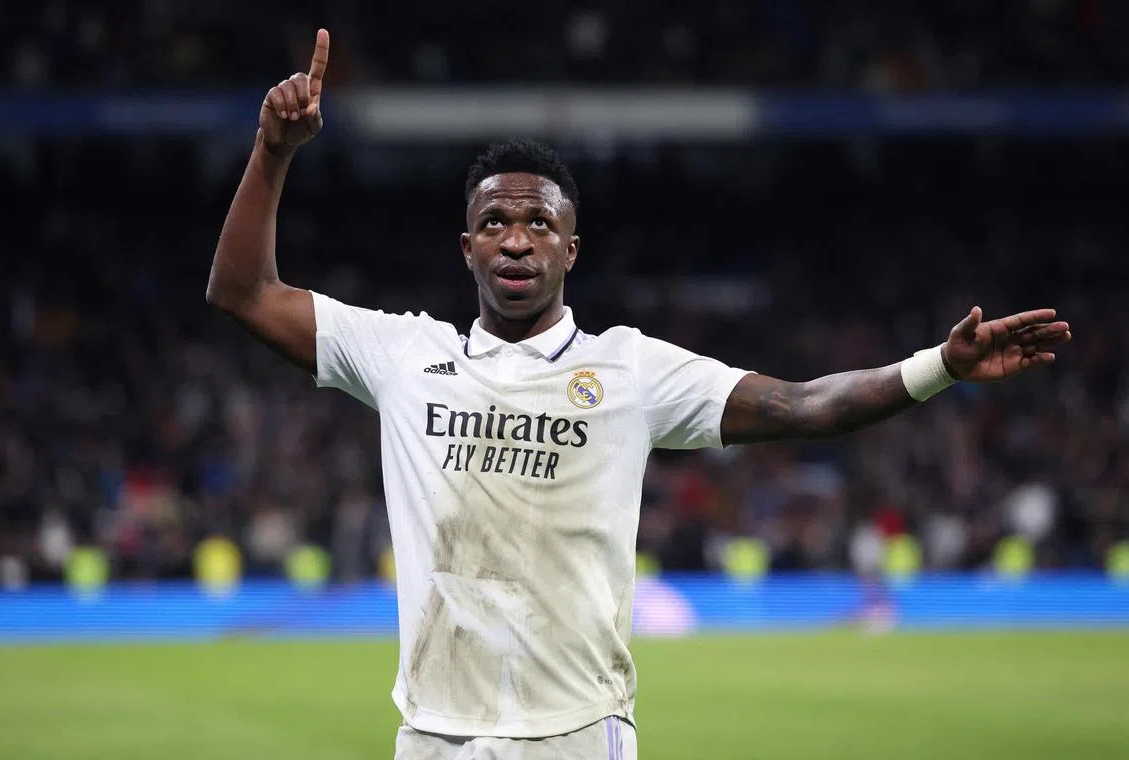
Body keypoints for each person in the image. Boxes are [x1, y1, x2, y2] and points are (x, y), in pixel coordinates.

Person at [206, 29, 1072, 760]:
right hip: (433, 736)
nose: (518, 240)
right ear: (465, 247)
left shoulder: (631, 370)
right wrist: (273, 151)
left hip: (581, 735)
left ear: (571, 250)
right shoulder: (401, 353)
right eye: (497, 223)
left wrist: (941, 366)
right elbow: (242, 292)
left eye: (540, 223)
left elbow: (807, 406)